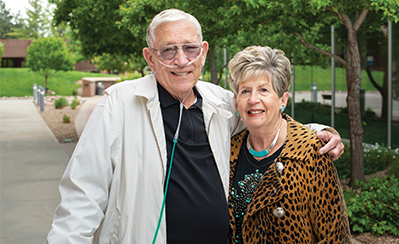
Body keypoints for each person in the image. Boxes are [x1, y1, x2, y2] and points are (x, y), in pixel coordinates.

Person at [47, 9, 344, 243]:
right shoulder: (119, 105)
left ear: (202, 52)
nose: (181, 60)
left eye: (190, 49)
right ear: (150, 57)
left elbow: (263, 117)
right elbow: (81, 197)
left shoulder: (220, 102)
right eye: (168, 51)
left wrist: (316, 132)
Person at [227, 46, 351, 244]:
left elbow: (335, 236)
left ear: (283, 100)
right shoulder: (228, 150)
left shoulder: (311, 152)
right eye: (245, 91)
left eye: (263, 90)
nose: (253, 99)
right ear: (236, 103)